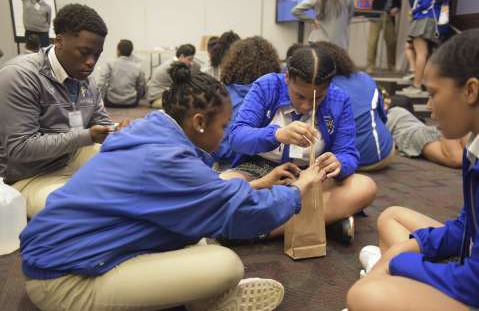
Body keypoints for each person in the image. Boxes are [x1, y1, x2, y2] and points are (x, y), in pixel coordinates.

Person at [20, 63, 325, 311]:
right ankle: (203, 303)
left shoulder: (150, 130)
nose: (227, 134)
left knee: (197, 234)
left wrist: (260, 182)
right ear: (198, 122)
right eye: (223, 125)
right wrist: (301, 188)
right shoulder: (169, 160)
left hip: (59, 255)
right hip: (62, 282)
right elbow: (243, 212)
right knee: (225, 265)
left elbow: (199, 194)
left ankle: (194, 295)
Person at [347, 29, 479, 311]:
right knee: (392, 217)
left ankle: (386, 277)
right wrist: (406, 250)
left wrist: (397, 262)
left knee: (365, 296)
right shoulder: (474, 145)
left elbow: (474, 283)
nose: (429, 108)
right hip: (470, 265)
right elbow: (466, 227)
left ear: (470, 90)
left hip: (473, 284)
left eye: (432, 94)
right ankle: (390, 276)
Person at [223, 45, 378, 243]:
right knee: (224, 185)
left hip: (311, 177)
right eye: (299, 96)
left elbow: (348, 153)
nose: (306, 106)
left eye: (318, 98)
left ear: (329, 86)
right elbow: (237, 136)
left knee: (365, 186)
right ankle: (323, 221)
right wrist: (277, 135)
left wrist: (338, 163)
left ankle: (259, 229)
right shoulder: (267, 86)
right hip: (259, 170)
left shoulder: (339, 100)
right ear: (287, 77)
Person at [0, 4, 127, 218]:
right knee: (83, 212)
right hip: (26, 177)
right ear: (59, 41)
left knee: (133, 168)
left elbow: (101, 124)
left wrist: (117, 131)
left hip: (69, 157)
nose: (91, 63)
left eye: (97, 55)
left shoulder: (86, 80)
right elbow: (20, 148)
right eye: (85, 53)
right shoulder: (20, 77)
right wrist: (86, 136)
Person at [313, 41, 395, 171]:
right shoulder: (365, 78)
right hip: (382, 155)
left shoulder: (321, 86)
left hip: (336, 162)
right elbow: (382, 117)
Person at [212, 36, 282, 168]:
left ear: (232, 62)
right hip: (257, 165)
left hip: (222, 164)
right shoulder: (273, 96)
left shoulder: (219, 93)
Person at [402, 0, 442, 95]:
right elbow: (417, 3)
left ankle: (417, 84)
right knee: (415, 49)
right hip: (425, 20)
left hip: (424, 20)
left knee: (421, 53)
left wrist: (414, 11)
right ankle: (416, 75)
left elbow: (425, 4)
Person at [97, 39, 146, 108]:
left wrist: (99, 101)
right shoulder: (138, 67)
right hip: (131, 103)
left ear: (118, 51)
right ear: (131, 52)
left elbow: (101, 83)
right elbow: (141, 86)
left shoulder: (110, 64)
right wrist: (139, 97)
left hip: (111, 101)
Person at [147, 43, 196, 108]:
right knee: (186, 105)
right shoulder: (173, 67)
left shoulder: (173, 64)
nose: (191, 63)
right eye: (189, 59)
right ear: (181, 56)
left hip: (160, 94)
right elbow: (181, 87)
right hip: (157, 98)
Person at [364, 0, 403, 73]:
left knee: (391, 41)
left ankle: (391, 65)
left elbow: (399, 3)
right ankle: (370, 66)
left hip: (389, 16)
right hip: (376, 14)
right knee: (373, 41)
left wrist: (397, 8)